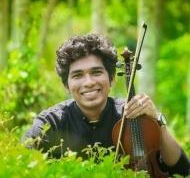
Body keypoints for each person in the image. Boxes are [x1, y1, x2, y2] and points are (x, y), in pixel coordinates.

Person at [22, 34, 190, 176]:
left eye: (96, 72)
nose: (88, 82)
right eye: (78, 75)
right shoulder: (51, 121)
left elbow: (182, 169)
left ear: (111, 79)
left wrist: (157, 120)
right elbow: (23, 163)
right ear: (67, 85)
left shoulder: (133, 115)